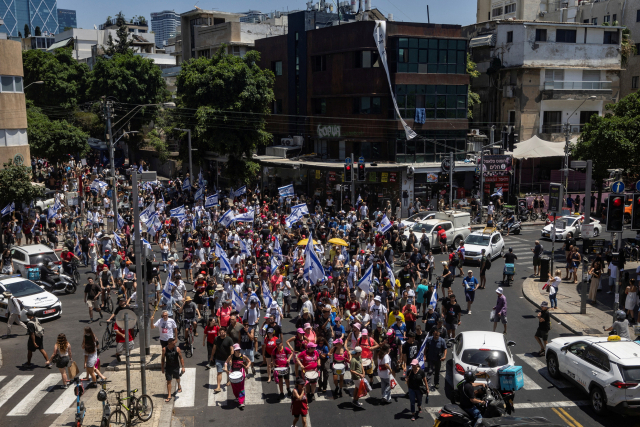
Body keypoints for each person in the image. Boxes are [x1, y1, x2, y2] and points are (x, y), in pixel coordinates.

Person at [224, 343, 252, 410]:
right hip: (233, 373)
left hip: (241, 372)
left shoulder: (242, 356)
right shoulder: (231, 356)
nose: (238, 351)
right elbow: (226, 362)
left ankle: (241, 402)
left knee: (241, 387)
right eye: (236, 350)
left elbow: (249, 361)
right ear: (234, 350)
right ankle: (237, 397)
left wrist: (248, 366)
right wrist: (225, 368)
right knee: (234, 387)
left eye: (239, 349)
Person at [161, 337, 185, 402]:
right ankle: (169, 395)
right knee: (169, 381)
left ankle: (179, 385)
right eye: (173, 343)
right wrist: (162, 367)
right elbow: (162, 359)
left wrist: (183, 367)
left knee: (177, 378)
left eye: (175, 343)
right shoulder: (164, 349)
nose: (175, 344)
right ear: (169, 344)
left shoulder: (177, 349)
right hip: (168, 367)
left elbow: (181, 358)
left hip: (176, 367)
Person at [210, 327, 234, 391]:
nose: (221, 334)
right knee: (219, 372)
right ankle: (218, 387)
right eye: (220, 332)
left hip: (227, 359)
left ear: (225, 332)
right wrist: (212, 356)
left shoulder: (229, 339)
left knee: (227, 371)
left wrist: (231, 359)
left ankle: (228, 380)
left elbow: (232, 349)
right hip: (218, 359)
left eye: (222, 332)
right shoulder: (216, 339)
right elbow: (214, 348)